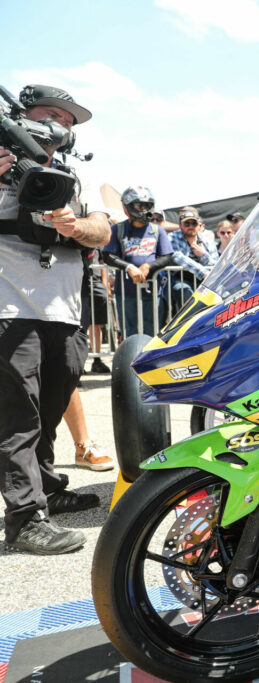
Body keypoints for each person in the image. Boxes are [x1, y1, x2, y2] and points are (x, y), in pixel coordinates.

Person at [0, 84, 112, 554]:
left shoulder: (76, 175)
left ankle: (46, 490)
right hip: (9, 309)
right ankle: (25, 518)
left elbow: (102, 230)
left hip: (64, 313)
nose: (60, 126)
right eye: (52, 115)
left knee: (52, 402)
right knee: (16, 416)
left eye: (69, 121)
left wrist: (75, 226)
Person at [101, 186, 173, 337]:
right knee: (129, 334)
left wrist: (149, 266)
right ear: (129, 206)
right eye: (140, 205)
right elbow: (107, 255)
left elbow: (167, 257)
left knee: (152, 334)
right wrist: (129, 267)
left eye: (147, 205)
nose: (144, 209)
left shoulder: (157, 230)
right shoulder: (118, 229)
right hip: (126, 292)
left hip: (152, 292)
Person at [168, 205, 218, 312]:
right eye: (187, 223)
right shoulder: (172, 237)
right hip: (182, 279)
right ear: (180, 226)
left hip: (205, 281)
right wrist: (202, 271)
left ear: (199, 225)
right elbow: (177, 256)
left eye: (194, 223)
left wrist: (203, 255)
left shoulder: (207, 241)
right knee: (183, 291)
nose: (191, 226)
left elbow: (215, 263)